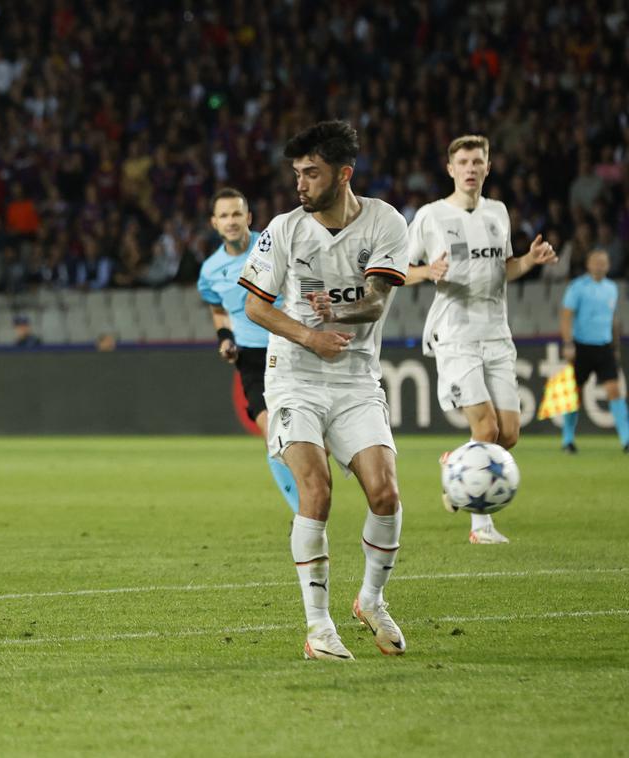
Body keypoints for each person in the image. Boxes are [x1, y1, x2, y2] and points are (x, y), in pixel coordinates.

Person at [239, 120, 410, 661]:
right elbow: (255, 305)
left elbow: (379, 301)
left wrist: (337, 313)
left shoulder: (385, 221)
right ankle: (318, 629)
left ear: (343, 174)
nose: (301, 184)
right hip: (294, 377)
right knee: (316, 490)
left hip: (357, 378)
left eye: (311, 173)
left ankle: (371, 600)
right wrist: (311, 335)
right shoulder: (284, 229)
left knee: (385, 493)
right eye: (297, 173)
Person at [404, 135, 557, 544]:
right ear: (450, 169)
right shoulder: (430, 216)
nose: (470, 168)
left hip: (496, 332)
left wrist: (529, 260)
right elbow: (396, 269)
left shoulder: (498, 213)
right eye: (463, 162)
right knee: (486, 428)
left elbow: (503, 268)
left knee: (508, 434)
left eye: (477, 161)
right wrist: (426, 273)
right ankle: (481, 526)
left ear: (488, 168)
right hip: (455, 333)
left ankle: (456, 463)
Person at [197, 187, 298, 514]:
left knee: (304, 438)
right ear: (214, 223)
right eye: (224, 215)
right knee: (273, 437)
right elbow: (217, 309)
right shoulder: (210, 271)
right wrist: (225, 338)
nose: (231, 221)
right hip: (251, 358)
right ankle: (302, 513)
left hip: (288, 345)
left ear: (249, 217)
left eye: (237, 213)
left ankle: (312, 497)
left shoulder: (272, 245)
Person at [559, 249, 628, 452]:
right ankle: (567, 439)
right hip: (581, 346)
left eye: (603, 262)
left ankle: (626, 440)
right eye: (596, 262)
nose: (600, 265)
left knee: (614, 391)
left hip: (604, 346)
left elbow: (613, 319)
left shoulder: (612, 288)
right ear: (588, 264)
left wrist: (615, 346)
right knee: (575, 394)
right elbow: (566, 315)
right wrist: (568, 343)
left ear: (608, 265)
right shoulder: (577, 287)